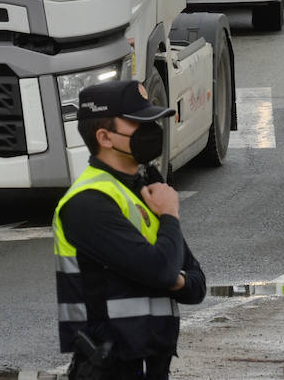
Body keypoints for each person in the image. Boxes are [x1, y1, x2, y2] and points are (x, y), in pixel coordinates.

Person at [53, 80, 206, 379]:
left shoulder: (145, 190)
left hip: (152, 365)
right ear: (104, 137)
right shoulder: (88, 202)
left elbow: (197, 285)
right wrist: (170, 215)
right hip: (107, 367)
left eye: (152, 121)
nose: (152, 130)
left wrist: (171, 277)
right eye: (139, 124)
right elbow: (163, 270)